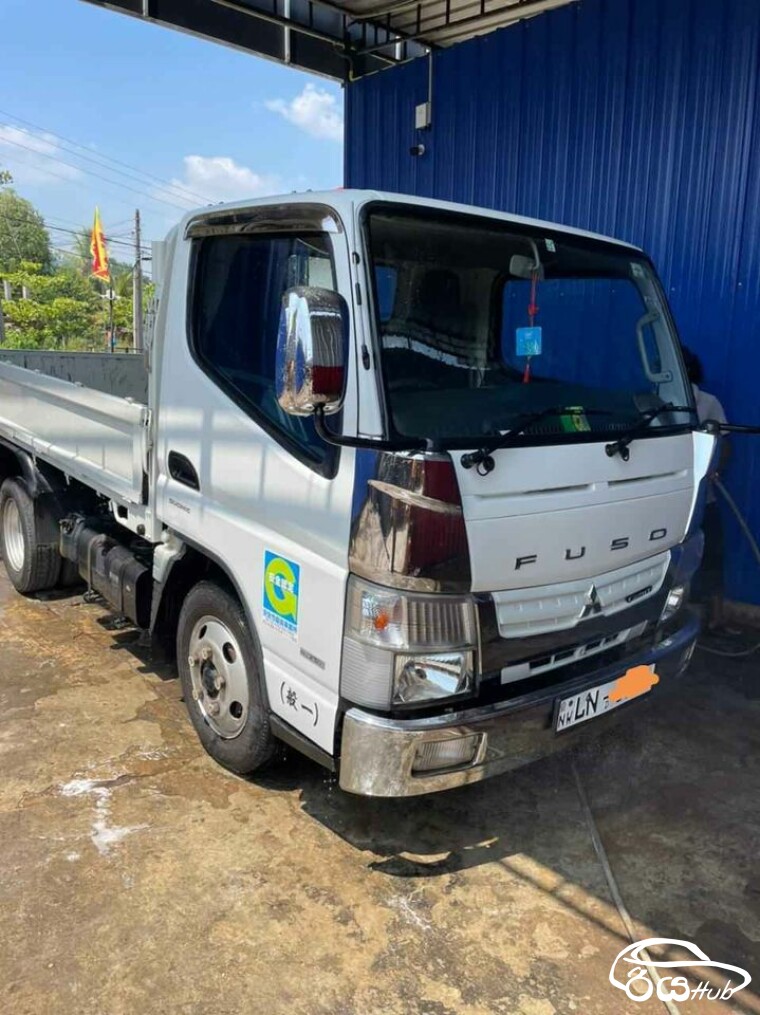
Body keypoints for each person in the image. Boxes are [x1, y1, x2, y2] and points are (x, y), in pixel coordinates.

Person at [682, 346, 729, 631]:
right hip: (672, 497)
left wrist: (714, 470)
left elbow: (723, 441)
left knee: (712, 550)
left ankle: (717, 617)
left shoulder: (707, 403)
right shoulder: (658, 402)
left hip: (703, 496)